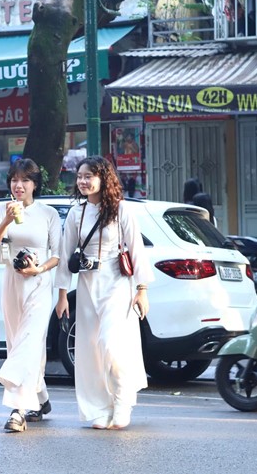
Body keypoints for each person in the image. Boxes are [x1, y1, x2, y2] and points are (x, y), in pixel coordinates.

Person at [54, 155, 153, 430]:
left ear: (103, 178)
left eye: (89, 176)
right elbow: (65, 256)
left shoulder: (122, 210)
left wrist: (142, 290)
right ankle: (98, 406)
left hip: (117, 283)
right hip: (87, 285)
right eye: (80, 176)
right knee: (91, 349)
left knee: (111, 344)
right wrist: (62, 295)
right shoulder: (77, 213)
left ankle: (122, 400)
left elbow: (137, 250)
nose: (83, 181)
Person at [0, 158, 61, 433]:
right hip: (12, 283)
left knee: (28, 343)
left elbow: (58, 254)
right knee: (20, 342)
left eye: (25, 180)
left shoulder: (48, 213)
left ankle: (17, 410)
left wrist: (38, 269)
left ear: (35, 184)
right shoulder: (0, 210)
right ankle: (40, 399)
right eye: (15, 180)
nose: (19, 185)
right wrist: (6, 219)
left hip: (39, 284)